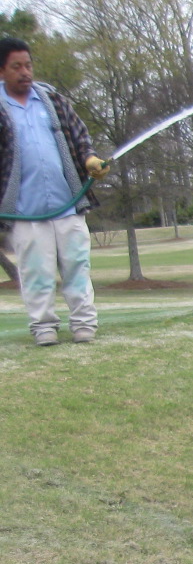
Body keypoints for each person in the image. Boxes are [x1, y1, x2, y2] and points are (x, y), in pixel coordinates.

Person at [0, 36, 107, 346]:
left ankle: (84, 324)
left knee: (77, 266)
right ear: (2, 71)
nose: (25, 72)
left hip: (68, 204)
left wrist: (90, 160)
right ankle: (44, 327)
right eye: (16, 67)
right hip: (24, 211)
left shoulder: (53, 100)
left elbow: (80, 137)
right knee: (36, 273)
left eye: (28, 65)